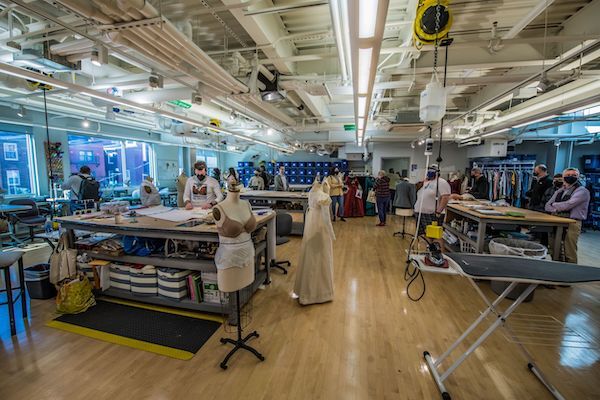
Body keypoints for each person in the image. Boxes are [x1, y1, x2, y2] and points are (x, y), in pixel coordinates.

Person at [545, 168, 590, 264]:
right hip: (556, 220)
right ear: (563, 177)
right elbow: (547, 206)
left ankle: (571, 273)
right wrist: (557, 207)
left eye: (574, 175)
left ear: (578, 177)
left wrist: (555, 205)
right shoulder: (560, 191)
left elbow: (568, 205)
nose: (571, 177)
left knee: (569, 251)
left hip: (573, 222)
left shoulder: (582, 191)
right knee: (554, 248)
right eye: (568, 174)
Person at [414, 166, 451, 239]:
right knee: (425, 235)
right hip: (420, 212)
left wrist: (438, 211)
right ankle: (428, 249)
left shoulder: (441, 182)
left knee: (434, 236)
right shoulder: (427, 182)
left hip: (432, 214)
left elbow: (445, 197)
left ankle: (437, 249)